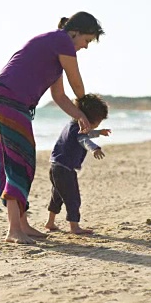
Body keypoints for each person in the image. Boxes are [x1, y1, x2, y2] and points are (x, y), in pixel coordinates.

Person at [0, 12, 105, 244]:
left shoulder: (55, 54)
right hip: (7, 101)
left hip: (4, 100)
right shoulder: (61, 41)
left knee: (23, 161)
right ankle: (13, 230)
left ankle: (22, 224)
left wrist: (80, 115)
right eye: (87, 41)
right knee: (17, 162)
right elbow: (76, 82)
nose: (86, 47)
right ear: (75, 32)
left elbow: (59, 96)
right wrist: (88, 107)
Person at [44, 94, 110, 235]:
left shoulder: (72, 125)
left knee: (57, 196)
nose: (97, 125)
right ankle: (74, 227)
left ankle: (50, 222)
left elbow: (85, 134)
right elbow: (84, 139)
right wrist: (94, 148)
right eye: (97, 123)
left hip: (55, 166)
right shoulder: (79, 130)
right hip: (66, 170)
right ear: (88, 119)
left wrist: (99, 132)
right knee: (73, 198)